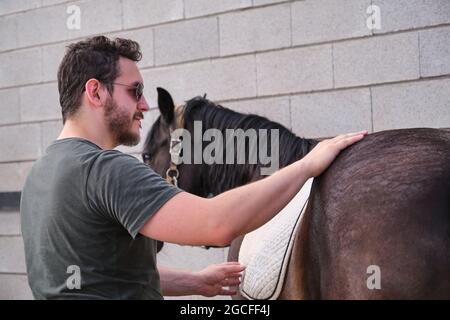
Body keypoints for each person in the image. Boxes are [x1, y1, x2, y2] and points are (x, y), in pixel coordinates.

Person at [20, 36, 367, 300]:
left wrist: (197, 282)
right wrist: (306, 165)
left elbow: (106, 275)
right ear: (95, 92)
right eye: (135, 91)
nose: (144, 104)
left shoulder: (39, 176)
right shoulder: (106, 170)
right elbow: (216, 224)